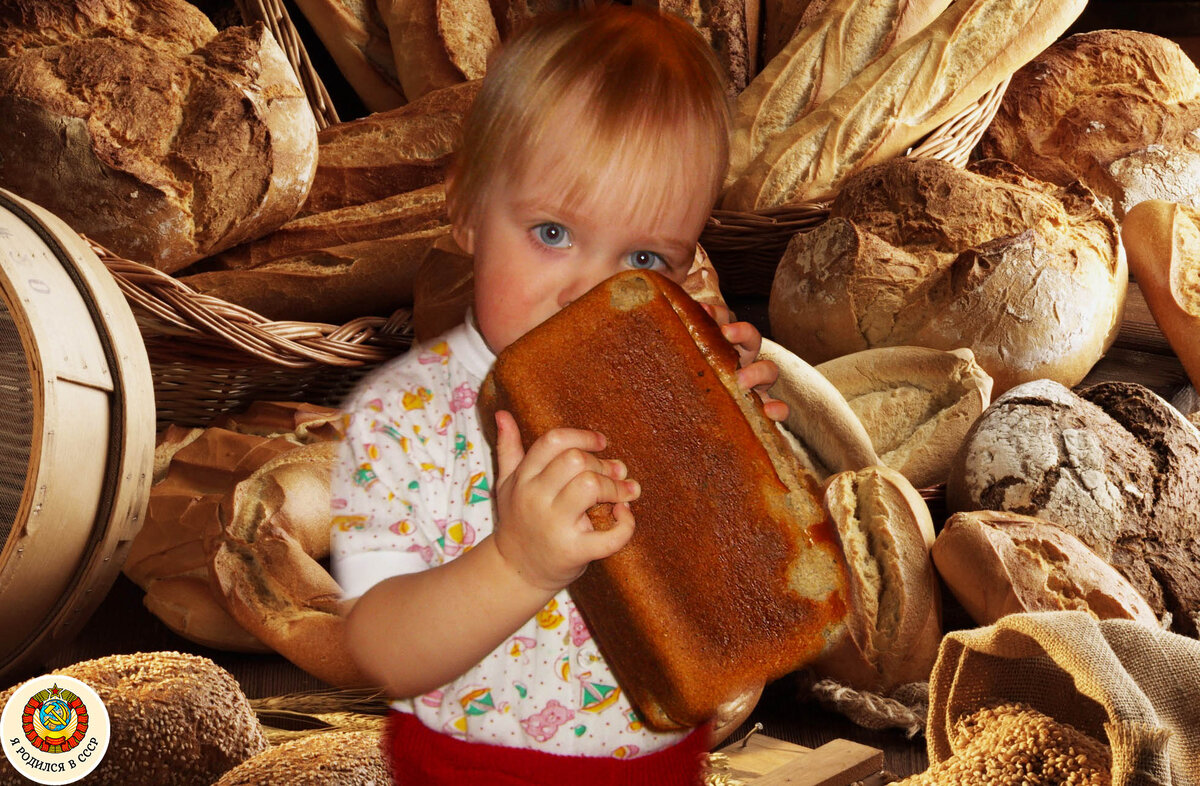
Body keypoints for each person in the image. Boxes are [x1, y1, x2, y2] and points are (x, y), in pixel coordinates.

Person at [331, 5, 786, 783]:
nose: (592, 291)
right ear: (468, 207)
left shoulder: (652, 406)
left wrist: (733, 466)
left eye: (644, 256)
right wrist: (516, 565)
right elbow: (382, 651)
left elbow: (742, 615)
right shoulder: (408, 420)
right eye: (552, 234)